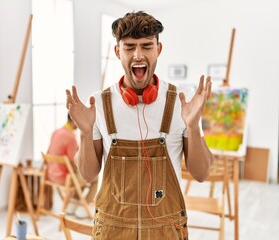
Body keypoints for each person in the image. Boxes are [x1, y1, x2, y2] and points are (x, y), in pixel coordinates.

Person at [66, 11, 213, 239]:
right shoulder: (99, 105)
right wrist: (86, 134)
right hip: (113, 232)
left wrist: (193, 127)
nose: (138, 55)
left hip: (166, 231)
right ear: (117, 51)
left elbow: (202, 173)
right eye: (129, 47)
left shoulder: (182, 104)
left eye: (146, 46)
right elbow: (87, 174)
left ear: (158, 49)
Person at [46, 113, 98, 219]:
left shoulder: (56, 132)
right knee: (94, 177)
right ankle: (83, 209)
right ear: (75, 121)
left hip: (51, 175)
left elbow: (48, 152)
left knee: (80, 178)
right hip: (65, 179)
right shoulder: (71, 137)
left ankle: (72, 206)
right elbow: (75, 164)